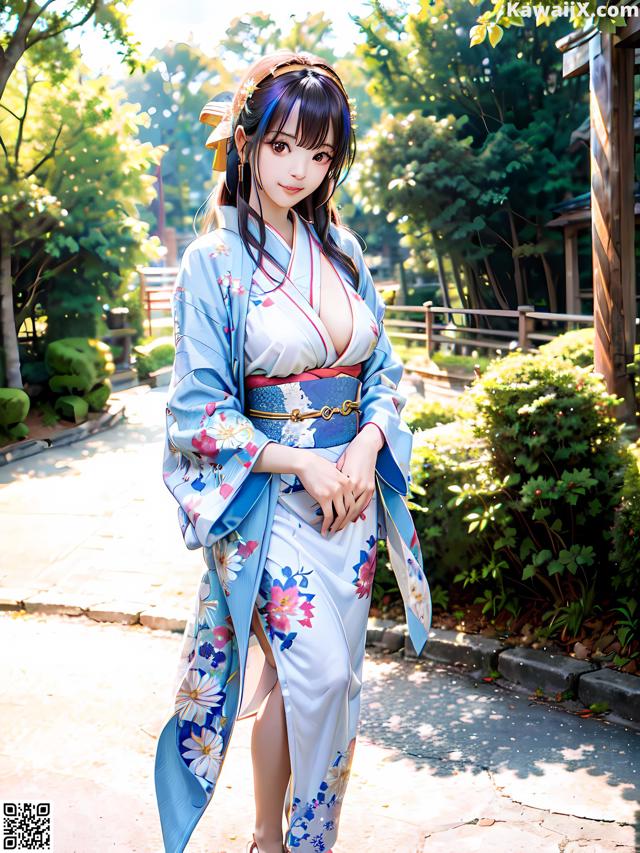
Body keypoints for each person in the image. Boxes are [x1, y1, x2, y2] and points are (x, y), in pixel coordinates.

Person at [154, 49, 432, 853]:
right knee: (321, 678)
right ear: (245, 141)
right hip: (275, 502)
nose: (299, 169)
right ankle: (294, 844)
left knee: (326, 689)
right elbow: (198, 409)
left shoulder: (341, 250)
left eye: (319, 153)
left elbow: (382, 370)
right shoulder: (213, 260)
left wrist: (368, 442)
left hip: (351, 500)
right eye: (282, 145)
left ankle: (272, 839)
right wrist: (302, 461)